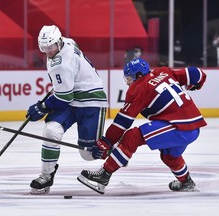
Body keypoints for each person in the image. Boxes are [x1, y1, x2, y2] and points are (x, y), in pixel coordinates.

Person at [77, 58, 207, 194]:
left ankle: (104, 175)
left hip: (179, 127)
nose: (128, 82)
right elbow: (195, 73)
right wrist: (199, 82)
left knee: (133, 136)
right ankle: (186, 183)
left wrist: (107, 141)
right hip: (192, 126)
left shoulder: (139, 89)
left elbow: (122, 122)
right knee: (169, 155)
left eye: (129, 78)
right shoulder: (164, 72)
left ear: (139, 75)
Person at [27, 25, 108, 194]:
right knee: (51, 132)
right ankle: (46, 175)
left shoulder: (61, 65)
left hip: (90, 101)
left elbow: (65, 98)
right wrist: (65, 82)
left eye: (51, 47)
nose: (48, 51)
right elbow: (66, 92)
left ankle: (121, 150)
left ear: (59, 42)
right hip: (71, 98)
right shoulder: (68, 42)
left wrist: (42, 107)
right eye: (44, 47)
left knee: (88, 154)